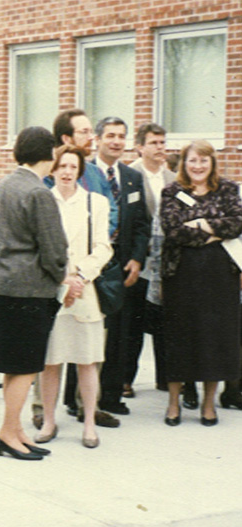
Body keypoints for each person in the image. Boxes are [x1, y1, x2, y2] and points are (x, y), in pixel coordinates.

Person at [0, 126, 68, 461]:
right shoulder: (39, 193)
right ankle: (7, 433)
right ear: (49, 155)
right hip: (30, 290)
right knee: (26, 366)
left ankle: (16, 430)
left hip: (1, 286)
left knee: (13, 364)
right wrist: (61, 276)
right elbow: (54, 250)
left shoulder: (7, 183)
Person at [160, 140, 242, 427]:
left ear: (213, 163)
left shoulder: (229, 190)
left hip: (220, 276)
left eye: (204, 161)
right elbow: (172, 231)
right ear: (184, 163)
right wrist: (214, 230)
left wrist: (197, 224)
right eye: (193, 160)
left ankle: (208, 404)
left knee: (213, 340)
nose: (198, 166)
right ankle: (173, 403)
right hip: (181, 274)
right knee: (179, 338)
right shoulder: (172, 192)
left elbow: (237, 223)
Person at [36, 145, 112, 449]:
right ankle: (50, 420)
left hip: (84, 291)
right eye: (62, 166)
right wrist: (61, 281)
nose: (67, 172)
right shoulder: (42, 201)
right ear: (52, 169)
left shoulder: (96, 203)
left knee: (87, 361)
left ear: (80, 170)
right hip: (52, 292)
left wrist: (80, 276)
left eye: (72, 166)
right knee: (50, 362)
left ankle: (90, 424)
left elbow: (104, 247)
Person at [92, 116, 150, 417]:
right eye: (110, 135)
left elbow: (142, 224)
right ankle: (79, 401)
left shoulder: (132, 177)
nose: (116, 141)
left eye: (121, 136)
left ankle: (111, 396)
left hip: (122, 264)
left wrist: (137, 259)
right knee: (88, 333)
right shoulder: (85, 174)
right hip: (91, 264)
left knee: (119, 332)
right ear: (98, 139)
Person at [125, 123, 176, 395]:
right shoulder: (129, 175)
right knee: (133, 323)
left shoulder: (174, 178)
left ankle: (165, 377)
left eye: (162, 142)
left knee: (164, 322)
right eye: (154, 142)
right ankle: (125, 380)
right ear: (140, 147)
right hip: (139, 262)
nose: (160, 147)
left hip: (167, 264)